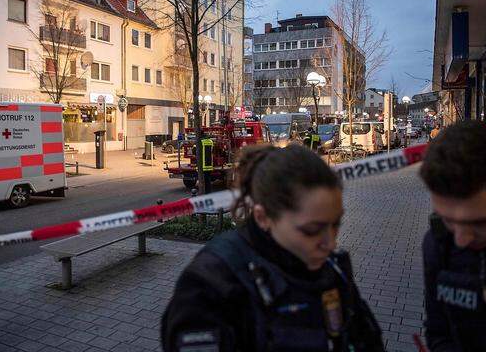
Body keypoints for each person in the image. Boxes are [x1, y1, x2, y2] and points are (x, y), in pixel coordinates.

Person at [162, 145, 384, 352]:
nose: (330, 243)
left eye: (335, 224)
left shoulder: (333, 270)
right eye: (311, 230)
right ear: (263, 217)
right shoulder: (212, 284)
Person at [420, 120, 486, 351]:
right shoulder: (439, 244)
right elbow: (439, 330)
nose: (461, 239)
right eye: (447, 219)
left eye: (481, 223)